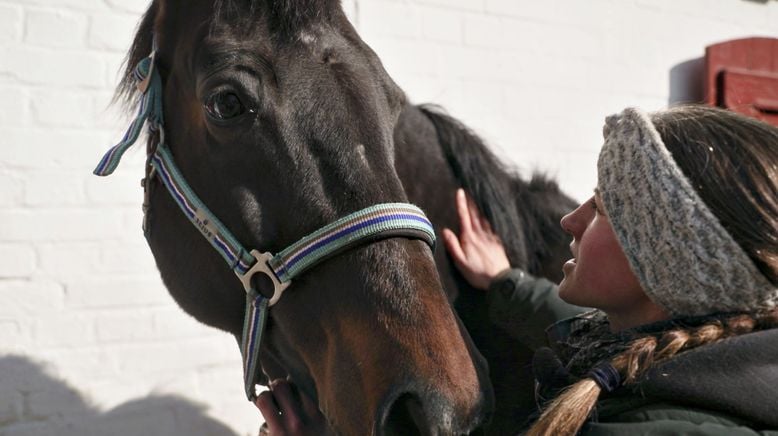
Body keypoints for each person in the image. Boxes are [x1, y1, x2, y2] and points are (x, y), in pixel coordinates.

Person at [256, 105, 778, 435]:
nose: (570, 219)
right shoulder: (703, 362)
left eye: (600, 210)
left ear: (666, 259)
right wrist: (506, 283)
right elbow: (572, 329)